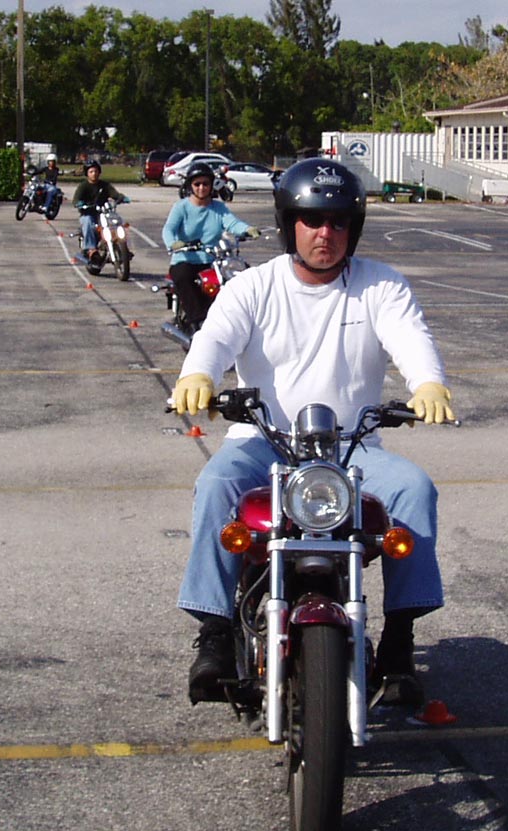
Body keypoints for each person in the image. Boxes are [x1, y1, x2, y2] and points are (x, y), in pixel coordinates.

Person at [169, 158, 455, 709]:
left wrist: (428, 382)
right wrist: (198, 375)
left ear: (354, 227)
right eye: (313, 220)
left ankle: (399, 639)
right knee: (216, 485)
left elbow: (410, 336)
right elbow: (215, 337)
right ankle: (215, 631)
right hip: (262, 443)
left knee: (414, 489)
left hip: (352, 449)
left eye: (339, 221)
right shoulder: (253, 286)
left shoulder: (381, 285)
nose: (326, 233)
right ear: (288, 224)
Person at [161, 162, 260, 334]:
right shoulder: (181, 207)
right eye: (197, 184)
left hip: (212, 260)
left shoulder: (219, 208)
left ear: (211, 185)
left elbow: (232, 223)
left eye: (205, 184)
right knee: (183, 276)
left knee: (240, 276)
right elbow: (168, 229)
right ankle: (197, 322)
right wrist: (174, 243)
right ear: (190, 186)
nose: (201, 188)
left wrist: (248, 229)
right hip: (185, 259)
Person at [71, 160, 128, 263]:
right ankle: (91, 249)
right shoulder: (83, 186)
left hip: (103, 213)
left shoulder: (104, 185)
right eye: (91, 172)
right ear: (87, 173)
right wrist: (80, 203)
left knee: (117, 221)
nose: (94, 174)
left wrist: (121, 198)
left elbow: (114, 194)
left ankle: (122, 246)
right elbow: (76, 200)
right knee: (88, 222)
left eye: (96, 171)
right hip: (88, 213)